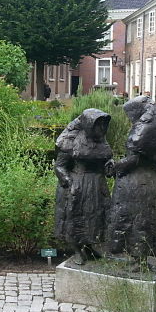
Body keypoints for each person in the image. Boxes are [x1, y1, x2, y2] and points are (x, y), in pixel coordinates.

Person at [105, 96, 156, 270]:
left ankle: (137, 261)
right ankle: (142, 260)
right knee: (150, 220)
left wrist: (115, 167)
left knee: (135, 220)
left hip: (134, 183)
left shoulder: (140, 134)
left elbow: (133, 160)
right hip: (152, 181)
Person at [54, 108, 114, 265]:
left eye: (103, 125)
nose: (101, 129)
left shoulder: (102, 140)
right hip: (78, 183)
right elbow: (59, 166)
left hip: (98, 184)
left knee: (96, 218)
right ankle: (76, 250)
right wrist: (67, 181)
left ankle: (89, 247)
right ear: (88, 124)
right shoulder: (72, 141)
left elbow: (105, 160)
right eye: (97, 125)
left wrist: (109, 167)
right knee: (76, 218)